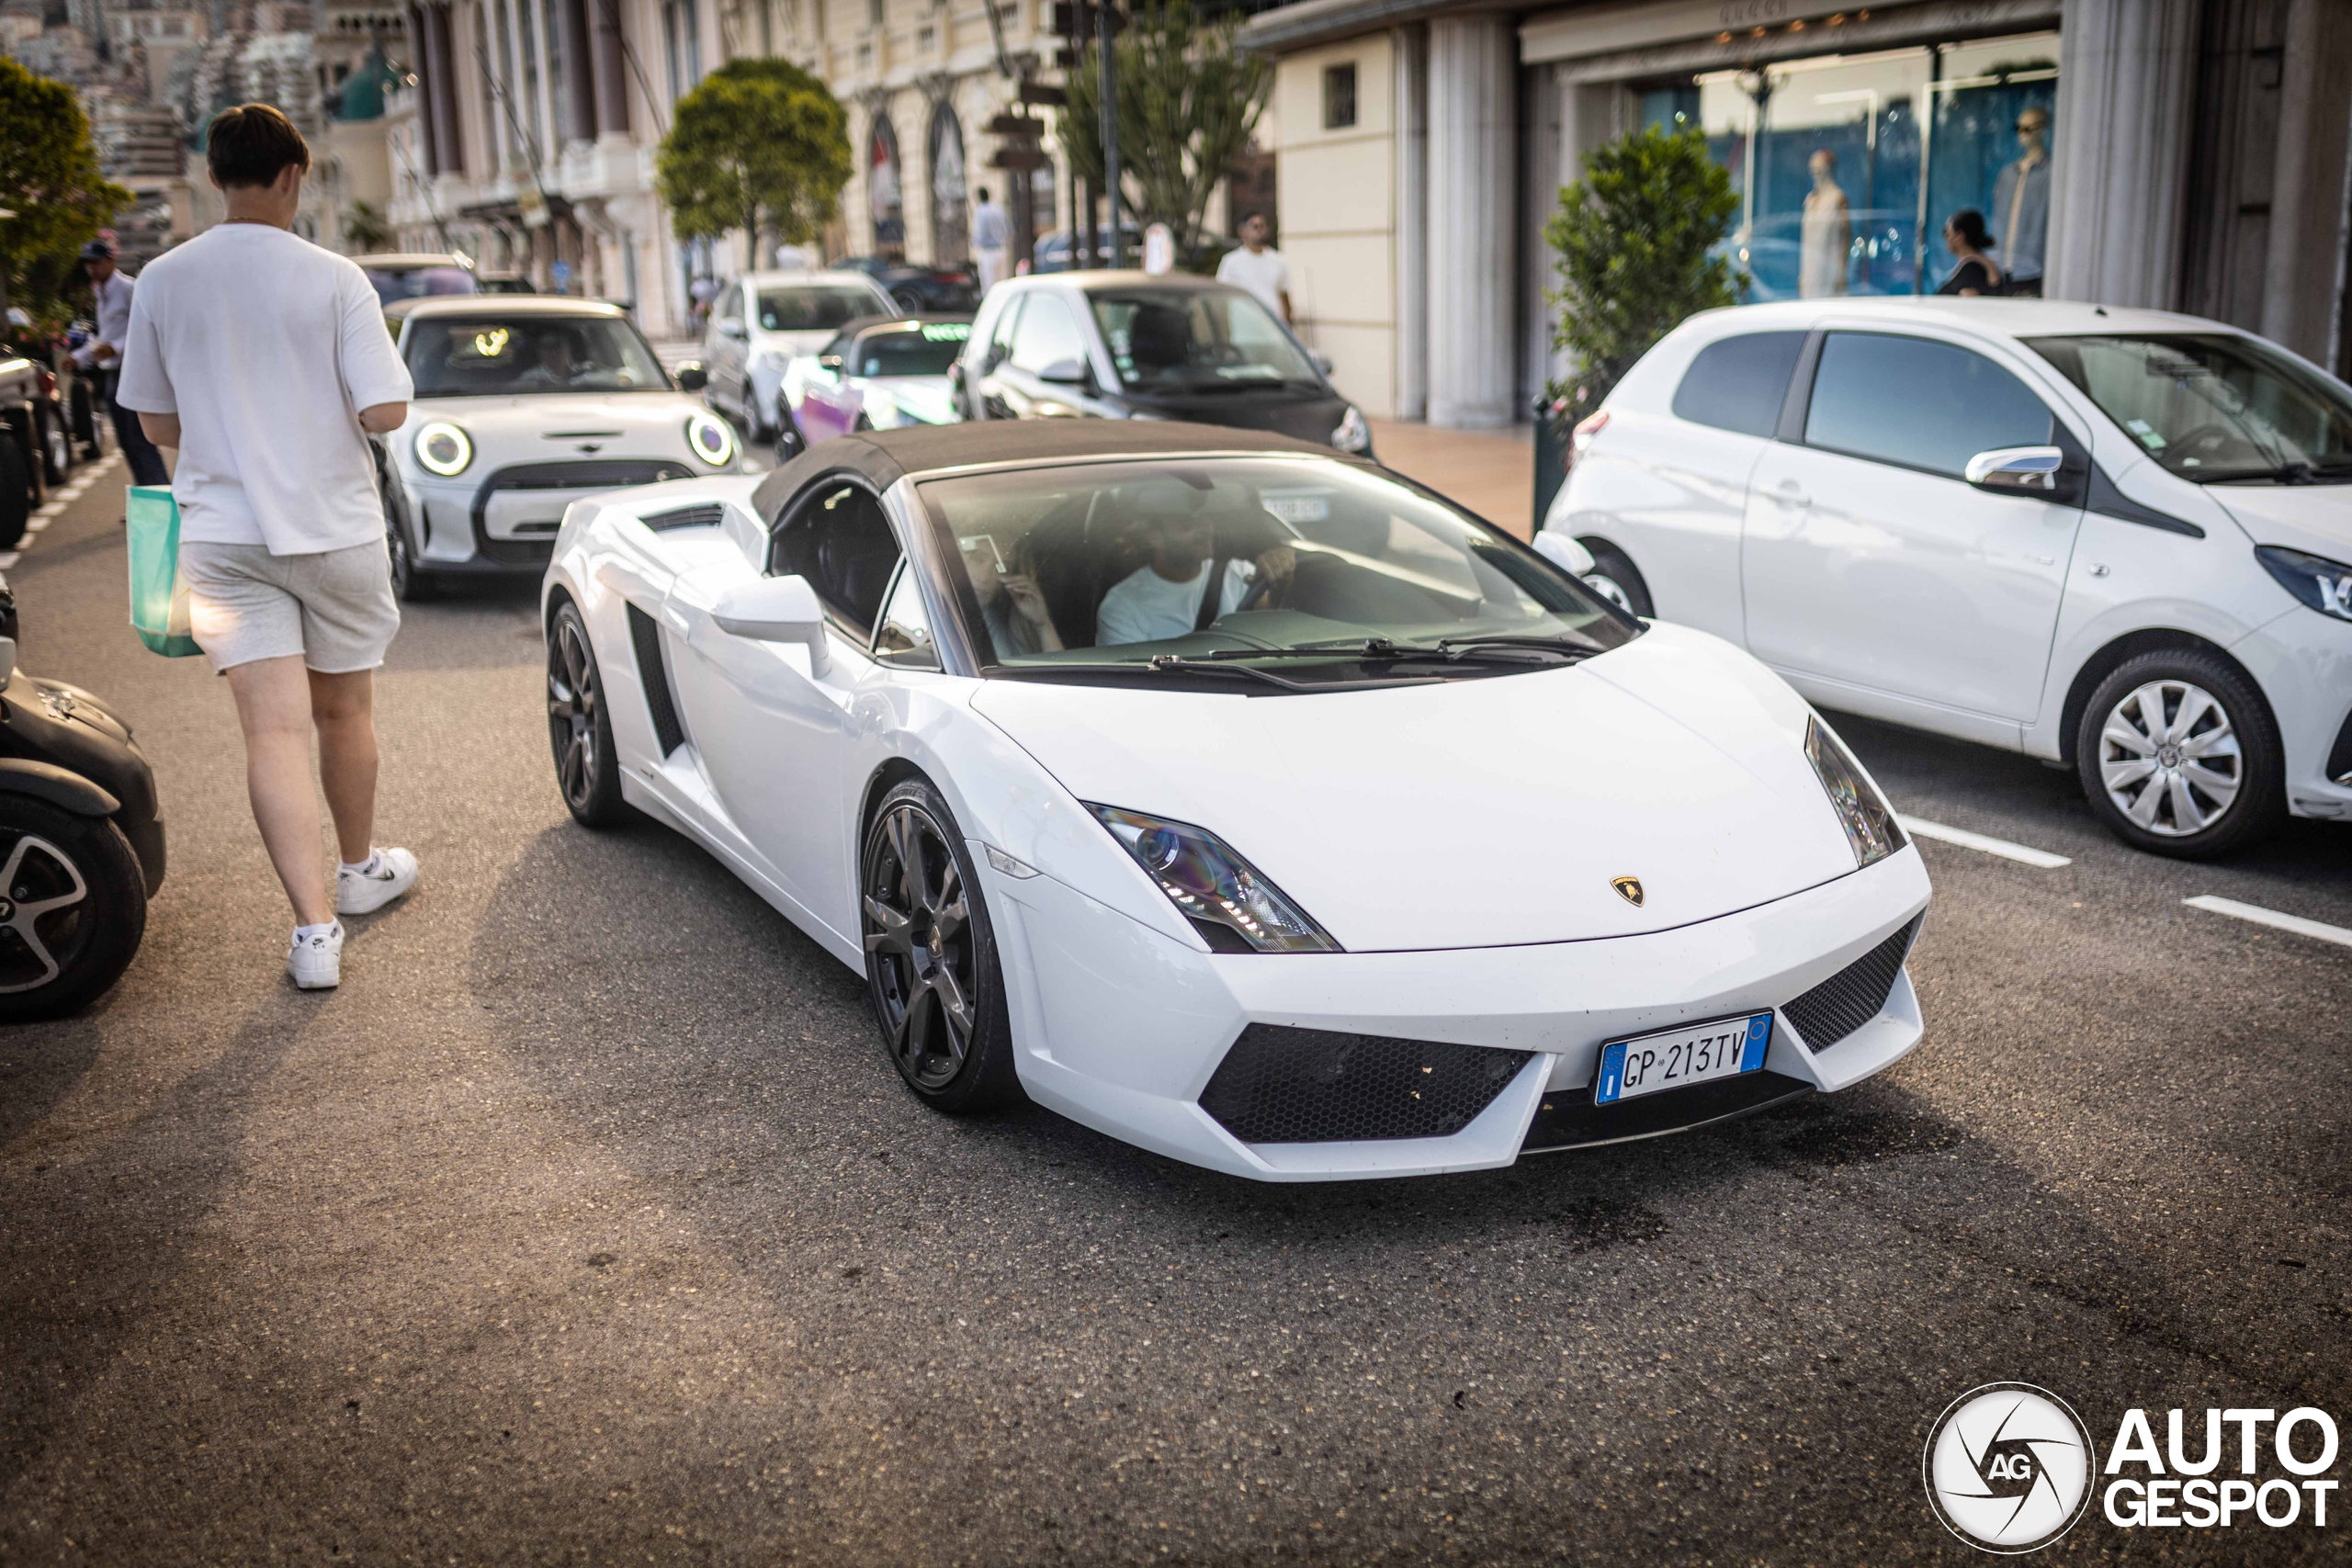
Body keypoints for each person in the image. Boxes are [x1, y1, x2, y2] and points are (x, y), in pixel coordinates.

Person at [116, 103, 420, 991]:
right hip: (334, 531)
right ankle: (359, 872)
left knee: (271, 732)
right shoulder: (335, 279)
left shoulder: (163, 280)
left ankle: (312, 932)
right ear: (295, 175)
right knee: (344, 714)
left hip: (223, 541)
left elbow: (155, 421)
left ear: (215, 178)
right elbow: (383, 412)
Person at [1095, 481, 1293, 646]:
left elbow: (1272, 628)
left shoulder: (1241, 574)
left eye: (1206, 520)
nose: (1204, 529)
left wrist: (1279, 583)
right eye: (1187, 522)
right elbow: (1132, 686)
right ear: (1153, 537)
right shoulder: (1123, 607)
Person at [70, 239, 170, 486]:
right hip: (113, 373)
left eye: (96, 262)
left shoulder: (128, 288)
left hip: (133, 370)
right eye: (88, 263)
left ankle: (159, 496)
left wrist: (114, 348)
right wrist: (78, 357)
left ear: (111, 260)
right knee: (126, 442)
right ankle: (146, 499)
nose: (92, 268)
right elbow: (104, 338)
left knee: (140, 440)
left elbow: (146, 327)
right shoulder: (99, 292)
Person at [1993, 107, 2052, 297]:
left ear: (2041, 130)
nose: (2022, 134)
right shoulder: (2008, 174)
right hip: (2003, 267)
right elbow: (1998, 219)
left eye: (2028, 129)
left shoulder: (2051, 172)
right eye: (2018, 128)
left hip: (2034, 268)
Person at [1216, 212, 1292, 324]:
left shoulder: (1278, 260)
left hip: (1273, 326)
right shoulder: (1231, 261)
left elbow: (1284, 295)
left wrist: (1287, 325)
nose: (1260, 230)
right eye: (1255, 226)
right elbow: (1223, 296)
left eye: (1263, 226)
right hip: (1245, 327)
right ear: (1242, 231)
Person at [1798, 150, 1850, 299]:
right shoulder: (1810, 200)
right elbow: (1806, 239)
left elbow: (1846, 236)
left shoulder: (1838, 198)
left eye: (1819, 170)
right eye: (1813, 171)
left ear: (1828, 170)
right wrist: (1802, 274)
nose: (1816, 174)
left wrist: (1842, 271)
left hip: (1830, 269)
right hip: (1810, 269)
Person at [1938, 210, 2004, 297]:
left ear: (1960, 236)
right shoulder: (1982, 264)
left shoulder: (1971, 269)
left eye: (1947, 233)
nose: (1946, 238)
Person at [971, 186, 1011, 292]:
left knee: (989, 287)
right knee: (1003, 285)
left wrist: (973, 241)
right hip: (1002, 250)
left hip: (988, 252)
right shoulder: (999, 209)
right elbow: (1009, 229)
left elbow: (981, 234)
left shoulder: (980, 212)